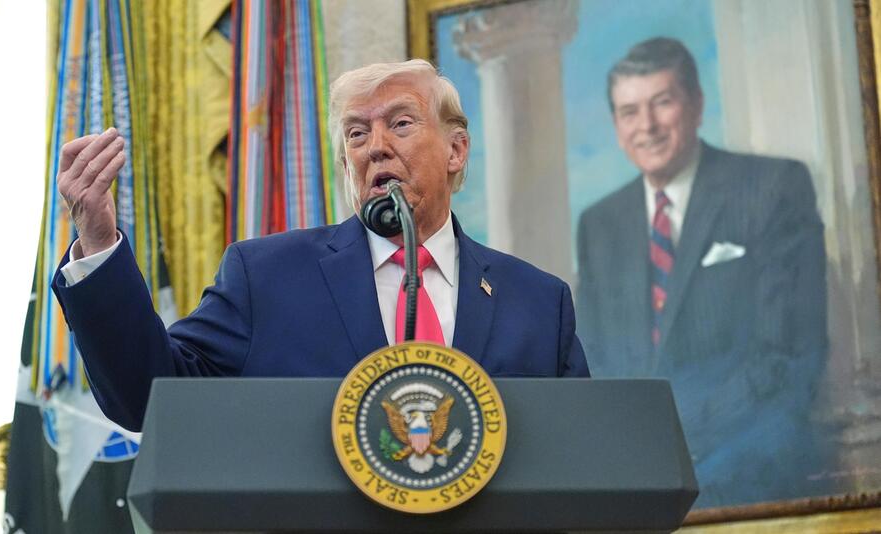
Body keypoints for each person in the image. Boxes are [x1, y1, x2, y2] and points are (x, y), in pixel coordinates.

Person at [53, 59, 589, 433]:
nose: (376, 147)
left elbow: (580, 452)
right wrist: (97, 242)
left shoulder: (540, 303)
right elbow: (151, 396)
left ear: (456, 150)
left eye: (400, 124)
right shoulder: (266, 278)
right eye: (356, 134)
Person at [576, 38, 828, 507]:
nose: (647, 126)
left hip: (752, 464)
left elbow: (786, 356)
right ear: (616, 125)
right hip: (639, 473)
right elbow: (595, 362)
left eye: (662, 102)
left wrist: (673, 432)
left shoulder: (773, 188)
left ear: (696, 104)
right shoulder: (599, 224)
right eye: (629, 112)